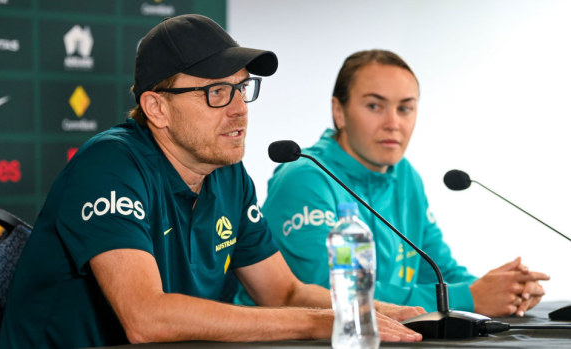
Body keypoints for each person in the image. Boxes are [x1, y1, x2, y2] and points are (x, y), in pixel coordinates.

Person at [0, 17, 424, 348]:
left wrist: (388, 313)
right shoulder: (109, 166)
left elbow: (284, 291)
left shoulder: (228, 176)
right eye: (217, 92)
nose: (239, 109)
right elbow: (146, 317)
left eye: (242, 88)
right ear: (157, 108)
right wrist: (319, 322)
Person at [235, 49, 550, 318]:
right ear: (338, 112)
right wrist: (470, 297)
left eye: (405, 108)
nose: (393, 123)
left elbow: (439, 270)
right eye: (375, 106)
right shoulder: (304, 177)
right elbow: (325, 290)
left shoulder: (404, 175)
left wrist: (504, 290)